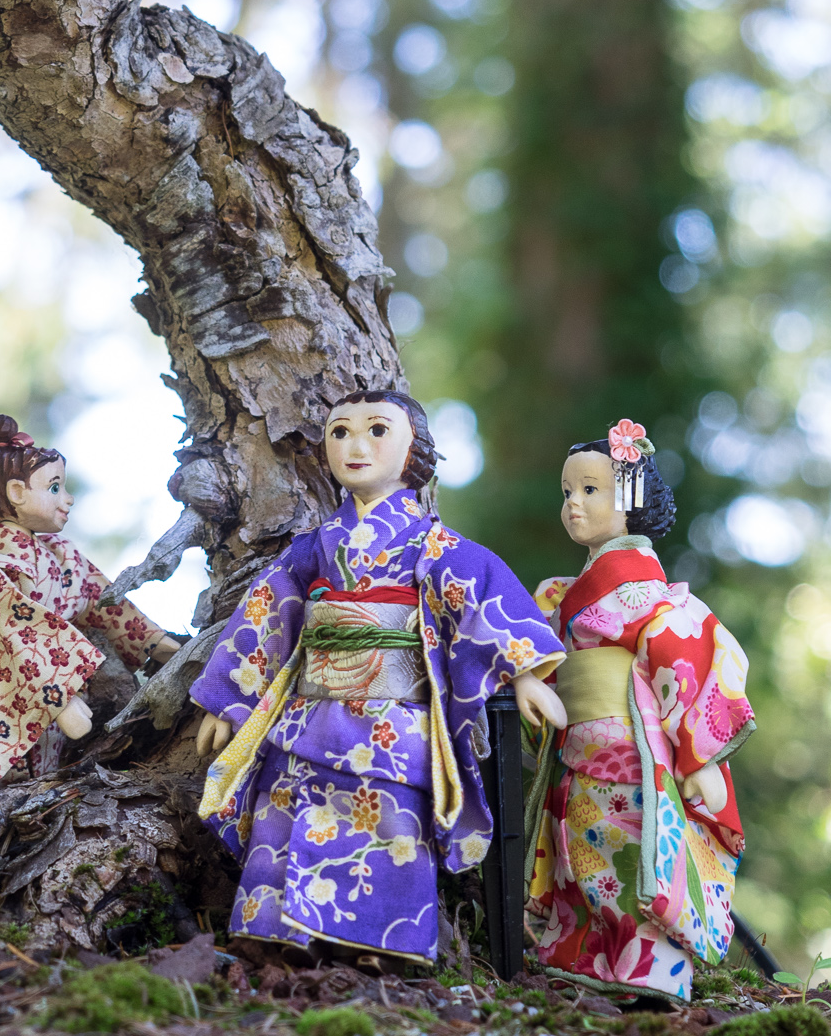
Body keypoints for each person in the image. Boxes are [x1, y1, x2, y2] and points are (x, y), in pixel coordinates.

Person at [189, 388, 566, 965]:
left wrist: (523, 672)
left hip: (393, 722)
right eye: (339, 432)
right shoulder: (315, 548)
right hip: (308, 715)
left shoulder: (434, 545)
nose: (355, 445)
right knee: (284, 806)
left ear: (415, 448)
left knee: (390, 826)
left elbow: (482, 590)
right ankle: (279, 938)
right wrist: (226, 698)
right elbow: (267, 609)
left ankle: (378, 945)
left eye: (377, 430)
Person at [526, 420, 755, 1002]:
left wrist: (699, 757)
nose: (573, 504)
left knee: (634, 855)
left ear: (629, 498)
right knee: (583, 852)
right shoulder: (568, 592)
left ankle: (650, 970)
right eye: (567, 491)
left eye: (590, 490)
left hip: (630, 750)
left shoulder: (647, 595)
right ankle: (586, 958)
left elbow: (686, 654)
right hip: (578, 748)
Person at [0, 414, 180, 816]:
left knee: (47, 799)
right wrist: (61, 699)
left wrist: (154, 642)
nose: (67, 498)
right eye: (54, 487)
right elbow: (22, 633)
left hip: (53, 717)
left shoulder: (62, 557)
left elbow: (100, 599)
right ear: (16, 492)